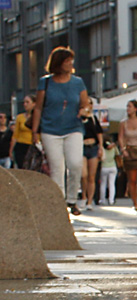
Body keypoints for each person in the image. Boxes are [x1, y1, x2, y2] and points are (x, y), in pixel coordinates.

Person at [32, 47, 89, 216]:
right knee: (57, 168)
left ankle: (72, 199)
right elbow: (38, 108)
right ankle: (59, 203)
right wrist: (35, 131)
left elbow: (85, 104)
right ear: (58, 63)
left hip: (73, 128)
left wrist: (84, 111)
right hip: (50, 130)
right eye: (66, 61)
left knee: (75, 163)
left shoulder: (78, 82)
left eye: (71, 60)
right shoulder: (46, 82)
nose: (70, 63)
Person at [79, 97, 104, 210]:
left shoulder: (93, 118)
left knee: (91, 176)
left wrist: (101, 147)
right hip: (82, 147)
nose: (88, 106)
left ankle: (90, 200)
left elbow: (99, 133)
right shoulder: (79, 118)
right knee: (83, 174)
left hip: (93, 147)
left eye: (90, 104)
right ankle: (83, 196)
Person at [10, 95, 35, 169]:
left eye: (27, 102)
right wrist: (11, 150)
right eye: (24, 102)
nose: (25, 104)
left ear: (34, 103)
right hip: (21, 146)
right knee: (22, 167)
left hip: (32, 145)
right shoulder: (19, 117)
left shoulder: (38, 117)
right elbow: (15, 135)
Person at [100, 137, 120, 206]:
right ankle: (111, 200)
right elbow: (118, 155)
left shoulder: (102, 147)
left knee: (103, 184)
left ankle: (102, 200)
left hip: (104, 166)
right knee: (112, 184)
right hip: (113, 166)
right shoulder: (114, 147)